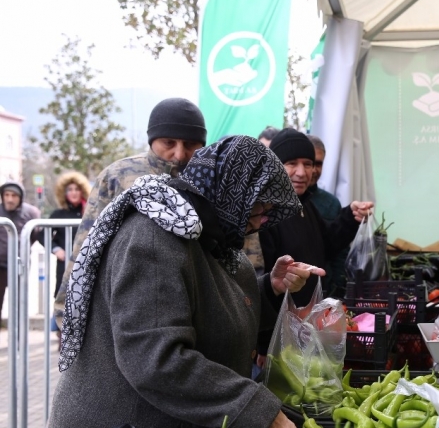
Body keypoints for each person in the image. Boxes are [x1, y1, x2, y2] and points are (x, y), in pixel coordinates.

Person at [49, 135, 322, 428]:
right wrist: (257, 410)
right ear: (232, 193)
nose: (262, 221)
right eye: (259, 207)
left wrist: (270, 288)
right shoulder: (154, 239)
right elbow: (156, 361)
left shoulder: (209, 236)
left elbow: (207, 306)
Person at [53, 97, 207, 330]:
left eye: (190, 145)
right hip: (127, 303)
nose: (179, 153)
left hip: (193, 303)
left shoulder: (209, 181)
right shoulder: (118, 176)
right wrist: (67, 312)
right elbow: (87, 244)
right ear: (152, 139)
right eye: (169, 143)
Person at [256, 128, 373, 366]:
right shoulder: (264, 215)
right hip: (277, 341)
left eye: (308, 164)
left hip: (305, 332)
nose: (302, 172)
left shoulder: (304, 206)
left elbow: (326, 243)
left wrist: (349, 217)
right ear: (276, 165)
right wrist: (262, 343)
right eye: (291, 163)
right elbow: (258, 282)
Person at [306, 134, 347, 296]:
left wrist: (338, 288)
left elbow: (340, 252)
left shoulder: (331, 203)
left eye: (319, 164)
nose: (314, 170)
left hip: (326, 288)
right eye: (310, 163)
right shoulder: (280, 203)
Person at [0, 181, 41, 317]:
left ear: (20, 197)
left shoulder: (31, 212)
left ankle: (18, 337)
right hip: (0, 265)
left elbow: (35, 234)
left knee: (18, 303)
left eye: (14, 195)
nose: (10, 199)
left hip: (19, 265)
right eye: (6, 195)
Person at [48, 171, 90, 297]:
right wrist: (56, 249)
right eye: (70, 189)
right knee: (62, 298)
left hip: (86, 263)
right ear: (64, 193)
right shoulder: (58, 214)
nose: (73, 192)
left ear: (82, 191)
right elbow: (42, 235)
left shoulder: (89, 212)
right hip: (64, 265)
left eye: (77, 189)